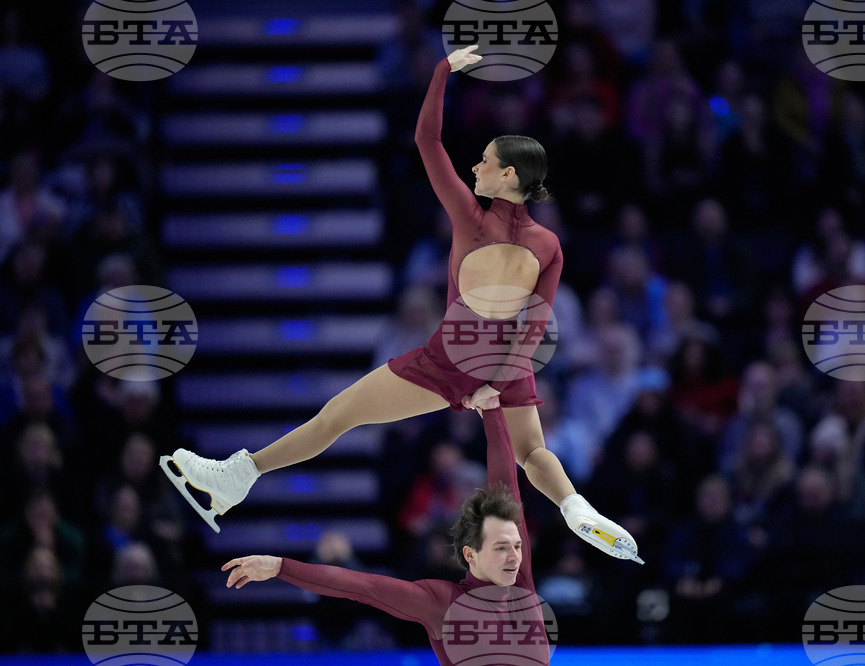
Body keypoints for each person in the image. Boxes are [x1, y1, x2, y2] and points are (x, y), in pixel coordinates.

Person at [161, 45, 641, 563]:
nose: (476, 166)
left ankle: (236, 477)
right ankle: (576, 508)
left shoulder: (470, 216)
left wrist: (441, 72)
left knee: (336, 417)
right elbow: (535, 328)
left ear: (507, 177)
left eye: (485, 161)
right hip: (507, 366)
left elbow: (426, 139)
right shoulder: (549, 244)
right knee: (532, 453)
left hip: (448, 359)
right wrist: (493, 382)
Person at [221, 402, 555, 665]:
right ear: (471, 555)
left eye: (516, 546)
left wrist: (492, 408)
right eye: (501, 548)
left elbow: (504, 482)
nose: (515, 556)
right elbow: (362, 586)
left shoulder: (520, 580)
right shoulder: (443, 604)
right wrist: (281, 567)